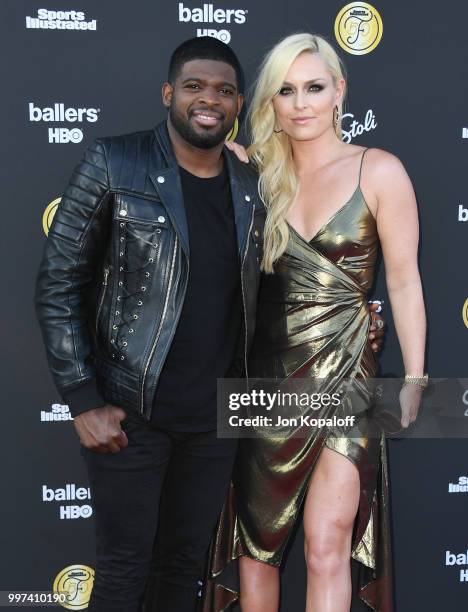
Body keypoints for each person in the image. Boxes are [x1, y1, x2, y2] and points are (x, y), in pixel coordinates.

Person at [34, 36, 385, 612]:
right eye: (194, 86)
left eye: (224, 91)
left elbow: (272, 292)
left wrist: (354, 318)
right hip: (130, 412)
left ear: (240, 105)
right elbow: (58, 282)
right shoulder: (115, 162)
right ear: (170, 93)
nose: (209, 101)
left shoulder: (252, 187)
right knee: (124, 573)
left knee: (182, 570)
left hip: (214, 423)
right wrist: (81, 397)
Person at [202, 33, 426, 612]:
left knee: (328, 545)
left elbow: (403, 281)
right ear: (270, 103)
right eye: (285, 90)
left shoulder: (379, 171)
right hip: (265, 383)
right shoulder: (250, 174)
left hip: (346, 376)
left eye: (314, 87)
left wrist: (416, 379)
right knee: (256, 554)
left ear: (339, 92)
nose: (301, 103)